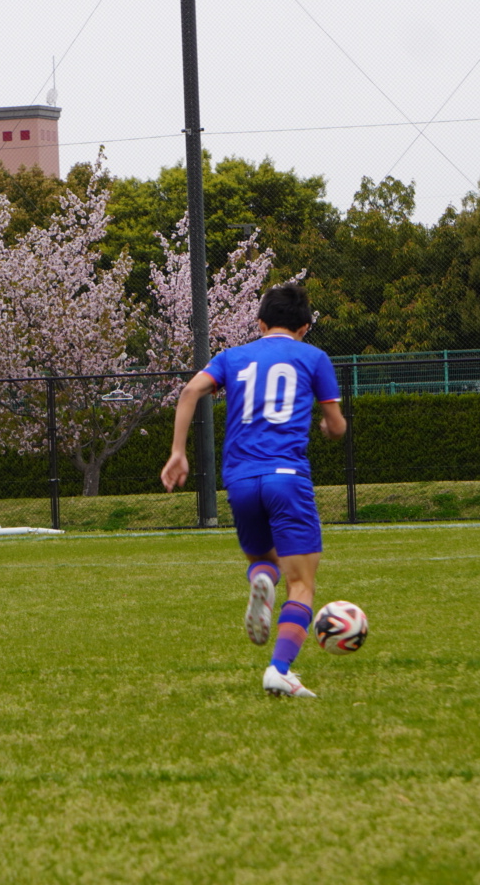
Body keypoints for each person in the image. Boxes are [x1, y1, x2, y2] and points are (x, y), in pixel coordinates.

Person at [161, 284, 346, 699]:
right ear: (305, 327)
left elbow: (190, 392)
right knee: (302, 584)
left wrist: (178, 453)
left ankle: (262, 577)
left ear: (260, 323)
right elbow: (336, 425)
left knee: (264, 560)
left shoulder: (232, 357)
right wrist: (328, 427)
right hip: (287, 478)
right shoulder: (314, 358)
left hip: (240, 480)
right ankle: (280, 669)